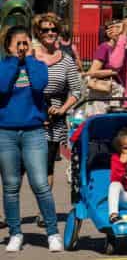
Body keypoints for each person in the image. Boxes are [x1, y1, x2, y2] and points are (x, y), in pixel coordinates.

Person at [0, 26, 62, 252]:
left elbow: (38, 85)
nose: (22, 47)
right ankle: (15, 233)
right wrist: (15, 62)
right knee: (11, 186)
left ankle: (53, 232)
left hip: (34, 131)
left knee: (40, 184)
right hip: (5, 132)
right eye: (17, 43)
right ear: (8, 46)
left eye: (25, 42)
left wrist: (28, 60)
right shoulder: (3, 66)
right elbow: (2, 86)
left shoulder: (38, 65)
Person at [31, 13, 83, 191]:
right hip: (28, 115)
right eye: (45, 29)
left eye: (54, 29)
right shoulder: (28, 56)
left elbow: (77, 90)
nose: (50, 33)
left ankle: (43, 212)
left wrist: (62, 109)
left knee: (46, 167)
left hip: (53, 119)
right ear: (38, 32)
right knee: (20, 168)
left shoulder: (66, 60)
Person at [84, 19, 126, 99]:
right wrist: (113, 72)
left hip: (115, 91)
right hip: (102, 93)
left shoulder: (121, 48)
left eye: (120, 27)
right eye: (116, 27)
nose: (119, 31)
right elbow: (92, 72)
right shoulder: (104, 48)